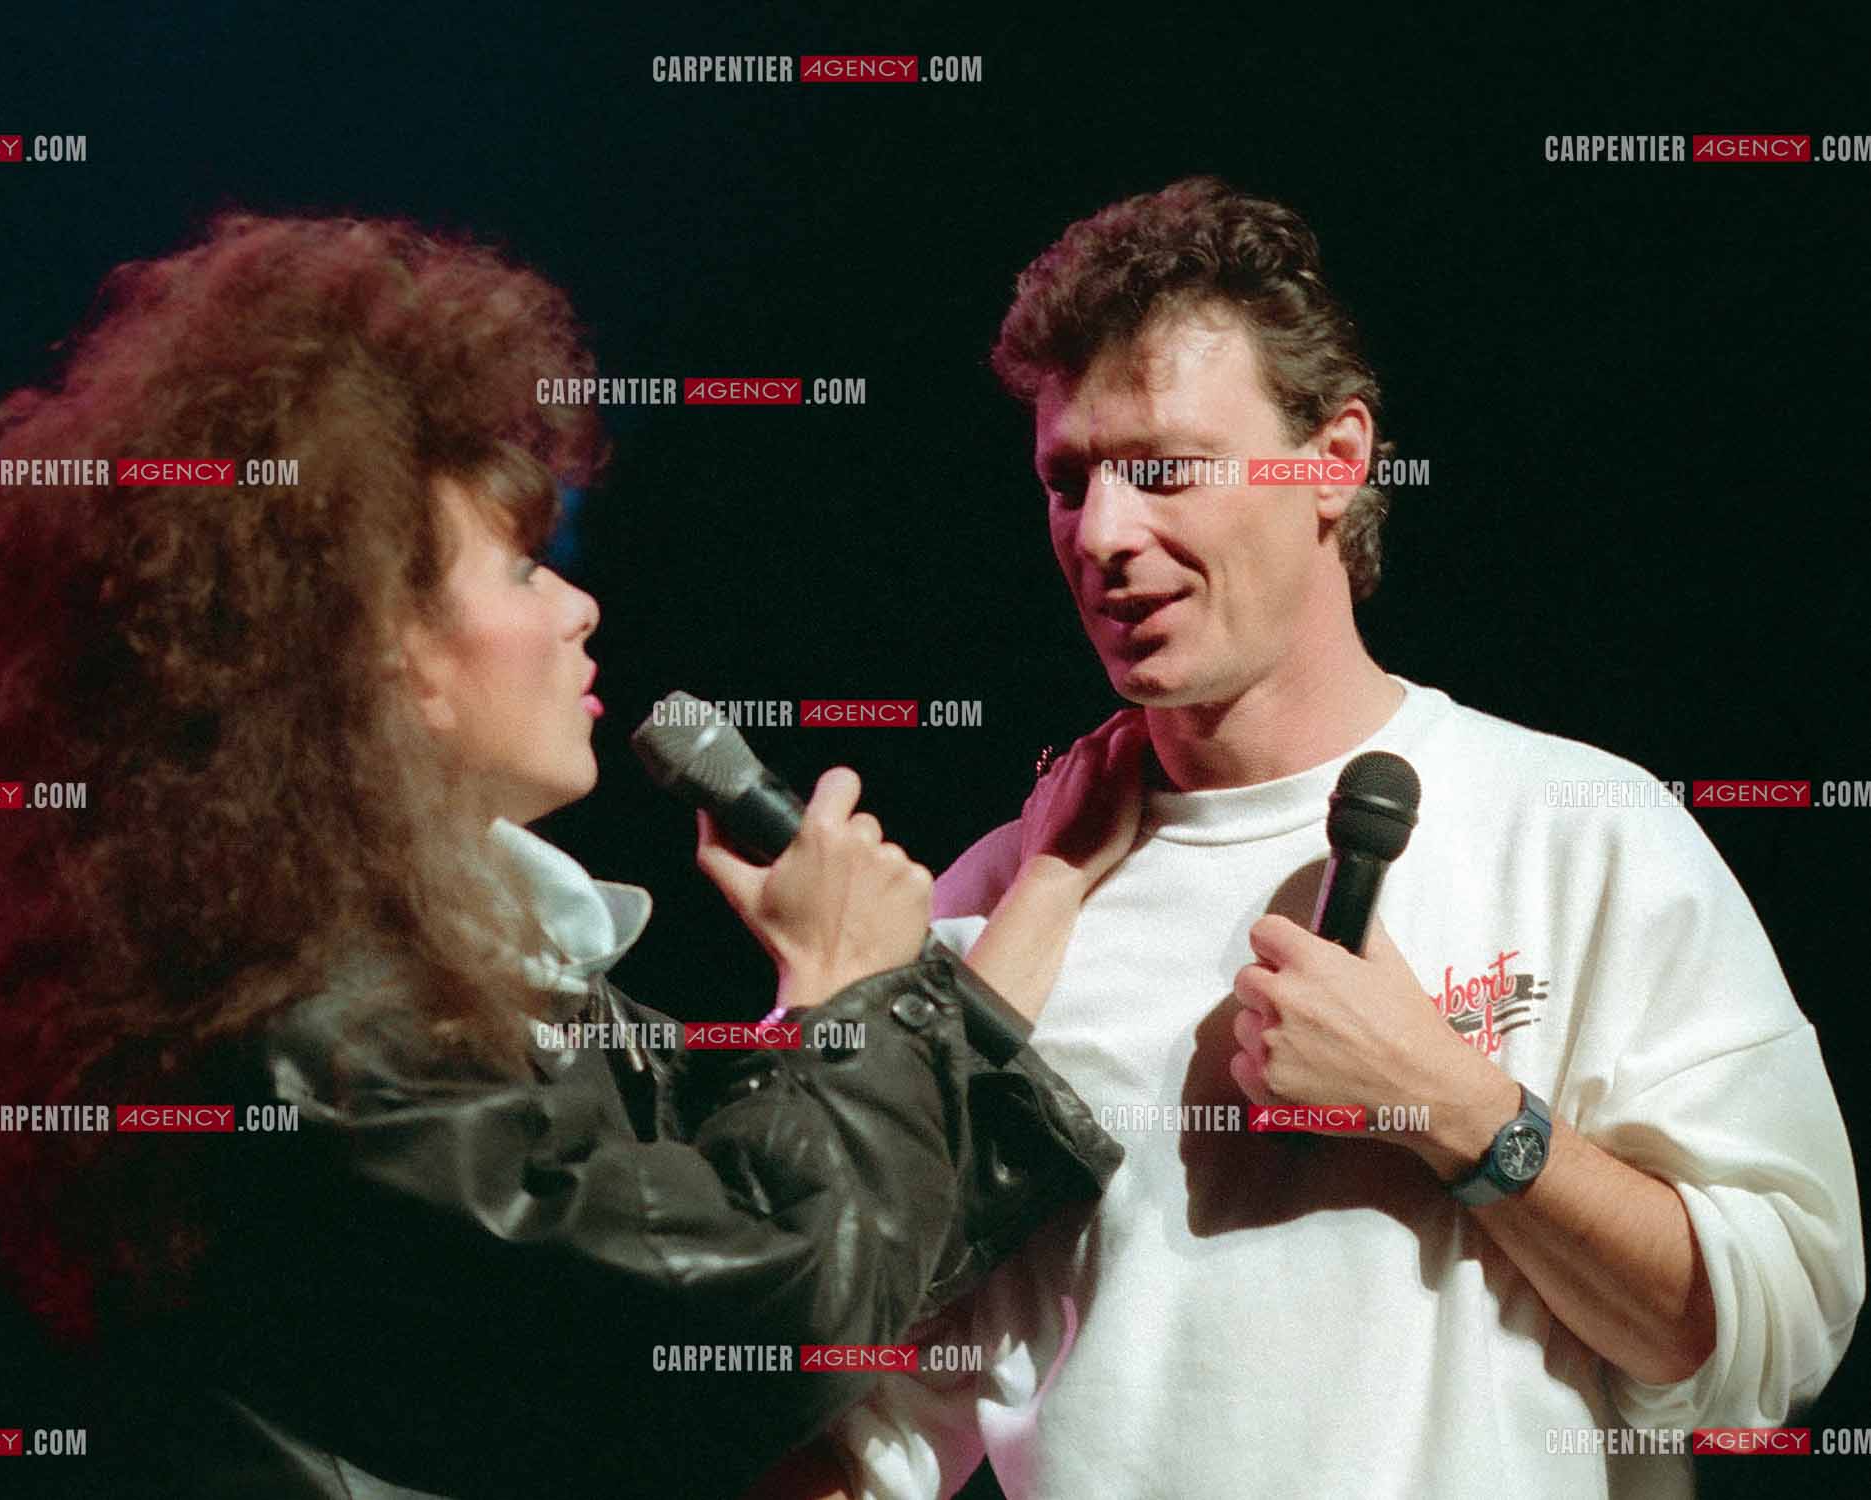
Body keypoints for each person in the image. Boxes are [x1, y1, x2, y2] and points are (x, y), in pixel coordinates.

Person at [0, 212, 1137, 1499]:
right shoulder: (328, 1039)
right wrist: (835, 998)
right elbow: (753, 1317)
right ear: (380, 647)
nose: (578, 606)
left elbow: (838, 1214)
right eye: (526, 570)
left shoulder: (430, 991)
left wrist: (1035, 894)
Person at [791, 177, 1863, 1499]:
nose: (1103, 536)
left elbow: (1767, 1338)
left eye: (1164, 469)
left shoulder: (1585, 833)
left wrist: (1456, 1105)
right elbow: (879, 1425)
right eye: (1067, 481)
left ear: (1337, 460)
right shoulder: (1004, 905)